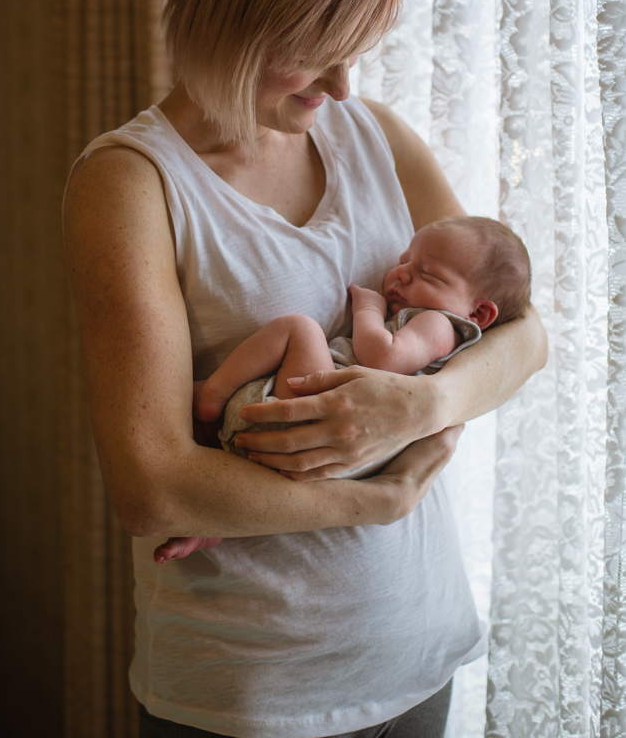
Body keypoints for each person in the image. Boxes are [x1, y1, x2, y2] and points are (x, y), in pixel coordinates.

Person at [63, 0, 547, 738]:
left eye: (353, 57)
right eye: (311, 62)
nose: (342, 89)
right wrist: (374, 498)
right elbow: (151, 489)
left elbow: (521, 335)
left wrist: (415, 402)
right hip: (251, 695)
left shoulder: (373, 137)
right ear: (223, 26)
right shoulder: (131, 185)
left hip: (418, 651)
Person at [153, 215, 531, 562]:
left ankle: (211, 394)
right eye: (404, 261)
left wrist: (367, 308)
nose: (400, 274)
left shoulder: (439, 324)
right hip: (325, 454)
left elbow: (382, 357)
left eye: (427, 274)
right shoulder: (432, 323)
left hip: (317, 420)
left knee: (300, 330)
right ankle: (212, 527)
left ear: (478, 314)